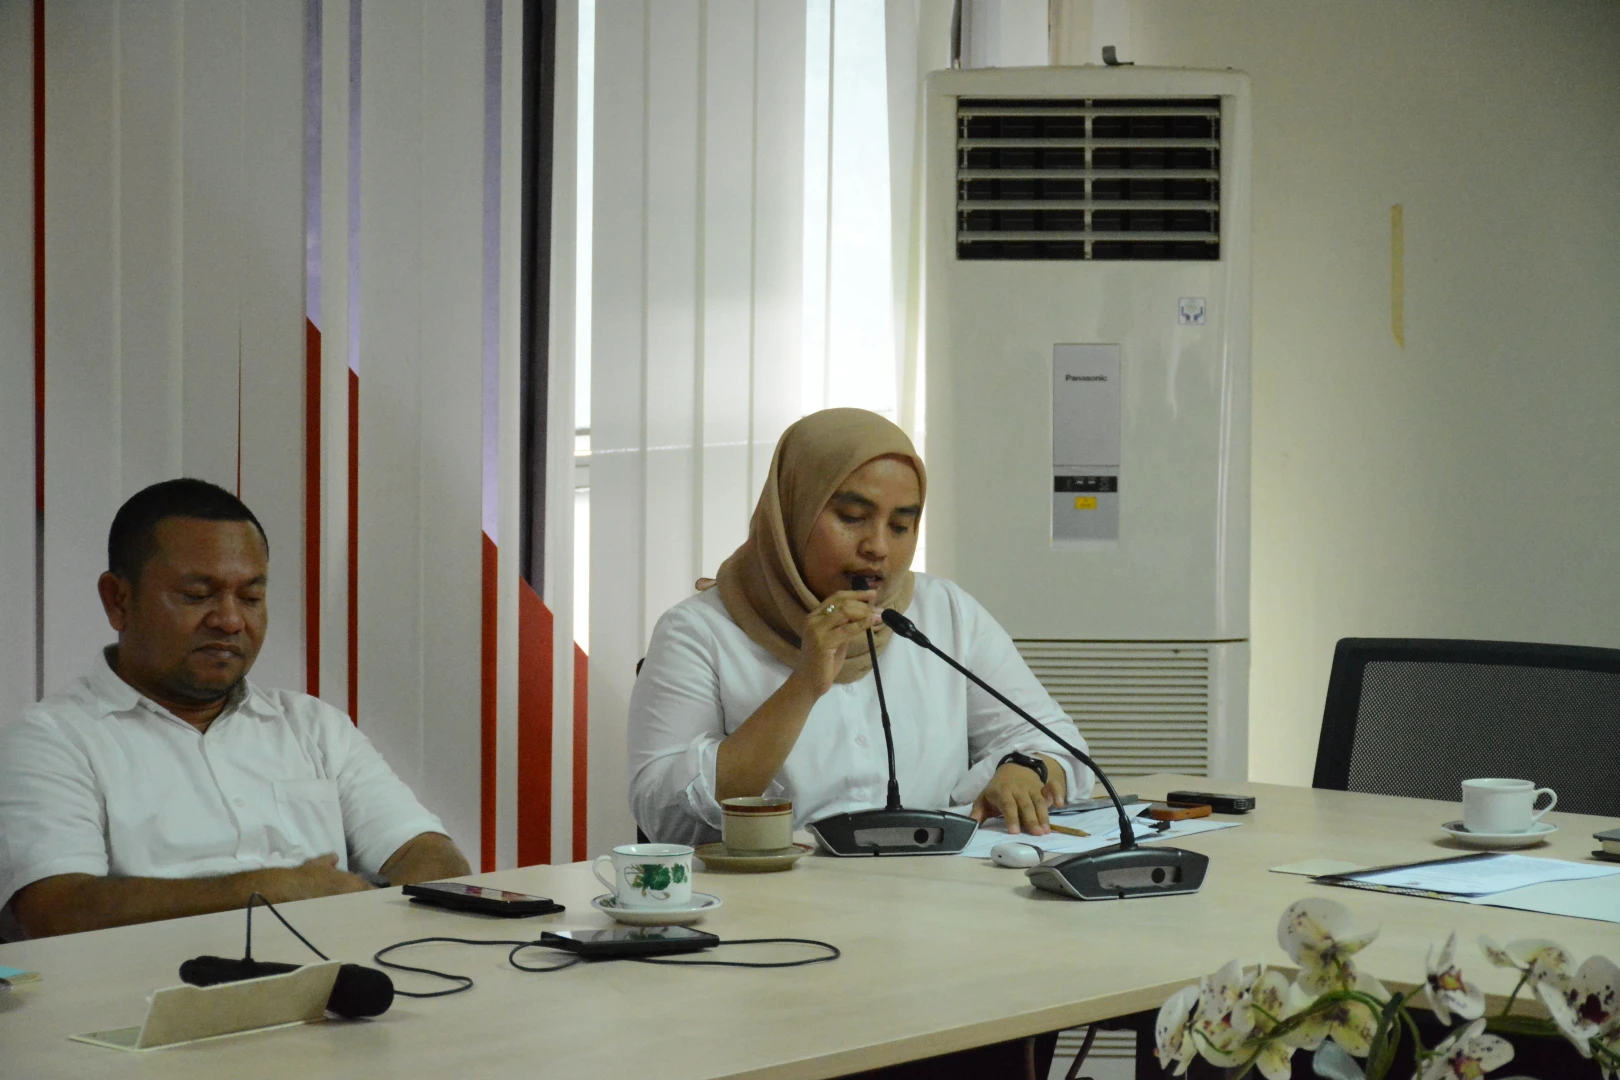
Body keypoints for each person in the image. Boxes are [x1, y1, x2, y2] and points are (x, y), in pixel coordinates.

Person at [0, 479, 470, 939]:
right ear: (118, 600)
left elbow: (429, 855)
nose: (229, 620)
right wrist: (270, 893)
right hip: (154, 987)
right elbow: (58, 910)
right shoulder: (52, 739)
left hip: (339, 975)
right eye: (197, 595)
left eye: (251, 598)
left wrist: (368, 913)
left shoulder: (314, 727)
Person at [629, 408, 1095, 848]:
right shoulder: (698, 631)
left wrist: (1025, 770)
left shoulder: (945, 613)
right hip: (771, 897)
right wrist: (804, 685)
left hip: (930, 889)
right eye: (852, 518)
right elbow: (663, 817)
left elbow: (1059, 746)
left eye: (901, 525)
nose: (878, 547)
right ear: (791, 512)